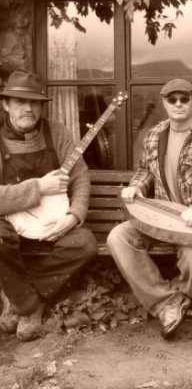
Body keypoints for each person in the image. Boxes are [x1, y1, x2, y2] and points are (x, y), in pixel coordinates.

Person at [107, 78, 192, 339]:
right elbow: (145, 170)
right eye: (172, 99)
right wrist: (136, 186)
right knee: (118, 237)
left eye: (184, 99)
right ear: (164, 103)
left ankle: (179, 295)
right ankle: (166, 302)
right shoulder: (154, 134)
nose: (178, 104)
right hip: (161, 217)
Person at [0, 71, 97, 341]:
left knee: (85, 243)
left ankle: (18, 298)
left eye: (34, 103)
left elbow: (80, 176)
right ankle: (31, 307)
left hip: (53, 224)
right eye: (20, 102)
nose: (28, 109)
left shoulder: (58, 132)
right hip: (7, 221)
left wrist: (75, 215)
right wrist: (38, 188)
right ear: (5, 104)